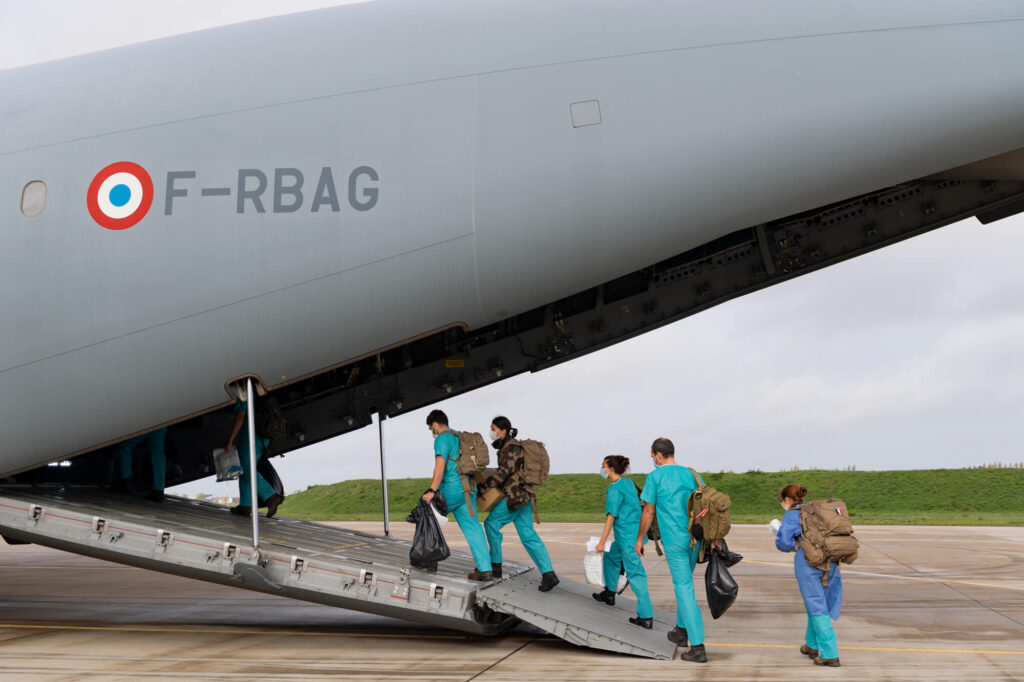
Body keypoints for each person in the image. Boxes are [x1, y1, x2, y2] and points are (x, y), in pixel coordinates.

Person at [635, 437, 708, 663]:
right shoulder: (692, 474)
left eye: (652, 456)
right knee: (685, 583)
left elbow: (648, 511)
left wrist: (640, 539)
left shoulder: (655, 477)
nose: (653, 460)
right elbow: (705, 507)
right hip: (695, 540)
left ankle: (698, 646)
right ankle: (681, 632)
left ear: (658, 455)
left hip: (675, 541)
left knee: (683, 587)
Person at [481, 416, 559, 592]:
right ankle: (549, 574)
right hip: (524, 497)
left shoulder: (511, 448)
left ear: (502, 430)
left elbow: (503, 473)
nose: (491, 432)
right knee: (528, 535)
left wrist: (484, 487)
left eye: (493, 429)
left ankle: (495, 565)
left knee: (491, 524)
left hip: (514, 497)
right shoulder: (510, 447)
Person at [421, 409, 493, 580]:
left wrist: (431, 490)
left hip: (451, 488)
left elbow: (440, 466)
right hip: (468, 489)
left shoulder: (442, 439)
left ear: (435, 424)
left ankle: (431, 561)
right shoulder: (460, 437)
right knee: (473, 528)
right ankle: (485, 569)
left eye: (431, 428)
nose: (432, 431)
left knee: (428, 515)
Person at [775, 484, 843, 667]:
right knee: (818, 604)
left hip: (809, 564)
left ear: (787, 500)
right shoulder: (816, 511)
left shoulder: (793, 514)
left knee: (816, 605)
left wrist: (781, 535)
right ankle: (812, 645)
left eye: (782, 501)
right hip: (831, 562)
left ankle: (830, 654)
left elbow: (784, 544)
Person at [591, 455, 654, 628]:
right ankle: (610, 593)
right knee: (611, 556)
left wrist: (601, 542)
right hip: (629, 535)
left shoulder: (614, 489)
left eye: (603, 465)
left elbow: (611, 517)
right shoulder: (628, 483)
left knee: (635, 573)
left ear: (611, 468)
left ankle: (646, 616)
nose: (602, 469)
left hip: (628, 538)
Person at [225, 397, 284, 518]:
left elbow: (240, 417)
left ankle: (271, 496)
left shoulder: (243, 392)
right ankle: (245, 504)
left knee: (247, 469)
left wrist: (230, 439)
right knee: (244, 468)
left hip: (251, 435)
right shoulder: (258, 392)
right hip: (263, 435)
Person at [113, 427, 168, 502]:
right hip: (161, 424)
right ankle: (158, 491)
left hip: (145, 423)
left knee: (126, 447)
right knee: (158, 453)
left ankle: (126, 483)